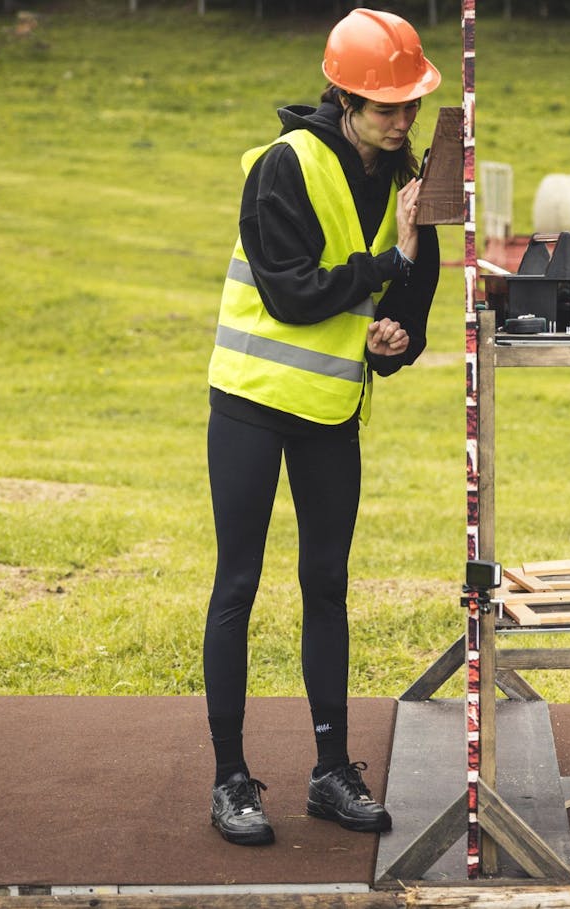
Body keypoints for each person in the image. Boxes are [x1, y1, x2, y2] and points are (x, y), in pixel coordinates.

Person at [201, 8, 441, 847]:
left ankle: (331, 772)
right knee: (238, 584)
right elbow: (294, 294)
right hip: (251, 404)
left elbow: (411, 314)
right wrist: (389, 261)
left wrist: (395, 341)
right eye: (387, 106)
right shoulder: (282, 167)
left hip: (332, 411)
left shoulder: (414, 189)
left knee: (327, 586)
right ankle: (231, 778)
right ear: (343, 97)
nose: (402, 120)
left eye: (411, 105)